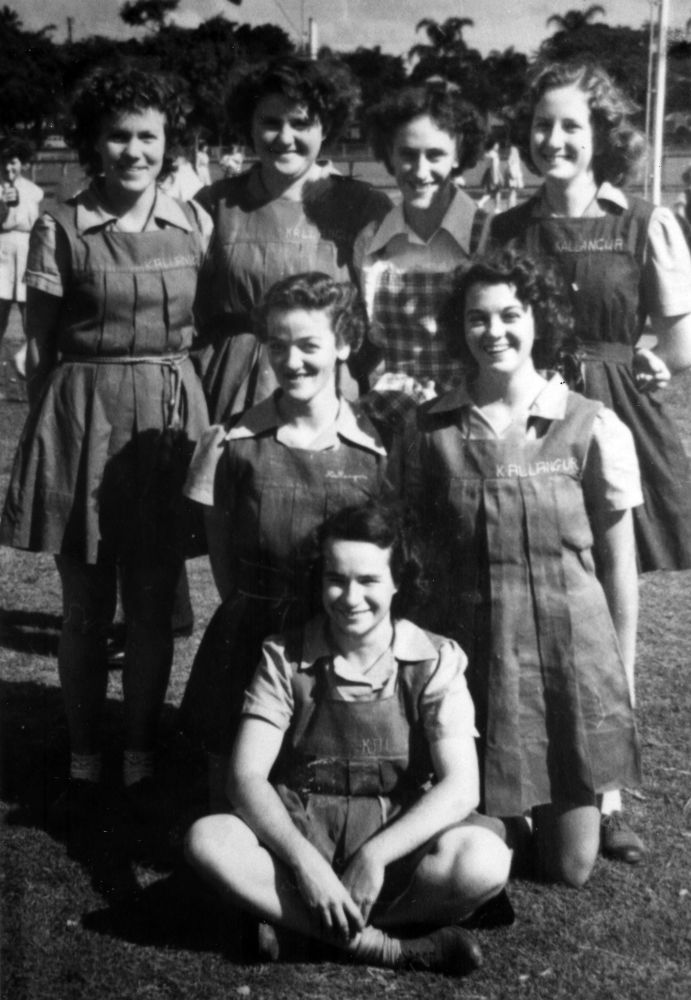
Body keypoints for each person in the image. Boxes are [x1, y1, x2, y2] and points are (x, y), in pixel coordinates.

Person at [490, 60, 691, 861]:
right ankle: (525, 777)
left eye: (571, 125)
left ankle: (606, 793)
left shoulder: (643, 221)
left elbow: (678, 337)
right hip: (530, 421)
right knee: (529, 596)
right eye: (542, 125)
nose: (554, 139)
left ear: (601, 134)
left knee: (611, 606)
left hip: (611, 420)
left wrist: (655, 363)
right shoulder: (506, 227)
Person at [0, 67, 211, 828]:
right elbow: (39, 344)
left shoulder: (193, 221)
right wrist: (66, 427)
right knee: (86, 607)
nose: (134, 150)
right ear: (93, 142)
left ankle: (143, 750)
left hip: (166, 421)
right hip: (82, 416)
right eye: (118, 135)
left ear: (168, 142)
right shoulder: (59, 225)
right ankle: (86, 752)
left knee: (152, 602)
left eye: (148, 135)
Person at [391, 250, 642, 888]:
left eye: (510, 315)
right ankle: (487, 814)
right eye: (477, 318)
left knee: (570, 868)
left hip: (566, 656)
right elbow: (405, 552)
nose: (494, 331)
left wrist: (622, 670)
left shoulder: (592, 424)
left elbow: (619, 563)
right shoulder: (429, 429)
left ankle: (529, 816)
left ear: (539, 319)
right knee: (482, 847)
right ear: (460, 327)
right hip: (470, 652)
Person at [185, 501, 512, 975]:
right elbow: (245, 777)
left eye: (369, 580)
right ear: (319, 581)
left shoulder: (435, 659)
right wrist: (307, 866)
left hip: (396, 844)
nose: (351, 597)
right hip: (303, 832)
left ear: (398, 582)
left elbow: (461, 787)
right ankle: (383, 947)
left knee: (484, 862)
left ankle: (296, 925)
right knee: (208, 839)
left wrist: (375, 856)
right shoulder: (284, 655)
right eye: (336, 579)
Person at [180, 273, 389, 805]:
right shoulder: (231, 443)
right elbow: (222, 554)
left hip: (341, 635)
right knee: (230, 794)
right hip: (250, 635)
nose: (291, 361)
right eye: (277, 346)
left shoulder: (375, 449)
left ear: (345, 344)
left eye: (309, 345)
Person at [194, 55, 391, 424]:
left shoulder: (365, 206)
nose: (285, 138)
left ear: (325, 127)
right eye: (271, 122)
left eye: (301, 123)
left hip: (328, 388)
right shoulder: (213, 205)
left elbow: (383, 323)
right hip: (231, 387)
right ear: (249, 125)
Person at [353, 84, 488, 427]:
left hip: (473, 419)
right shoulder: (372, 241)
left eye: (435, 155)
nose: (420, 170)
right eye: (408, 154)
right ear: (389, 154)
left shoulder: (490, 235)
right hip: (395, 422)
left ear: (458, 154)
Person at [0, 138, 44, 372]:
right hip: (2, 252)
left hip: (27, 251)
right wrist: (3, 205)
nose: (9, 168)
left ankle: (31, 363)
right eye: (4, 162)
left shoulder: (33, 191)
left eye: (13, 162)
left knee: (32, 316)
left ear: (22, 163)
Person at [478, 138, 502, 212]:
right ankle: (482, 203)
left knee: (495, 191)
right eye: (497, 144)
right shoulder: (494, 155)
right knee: (495, 191)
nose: (498, 146)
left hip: (488, 173)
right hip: (493, 174)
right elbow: (495, 167)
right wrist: (496, 178)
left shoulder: (487, 154)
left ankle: (496, 207)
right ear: (493, 145)